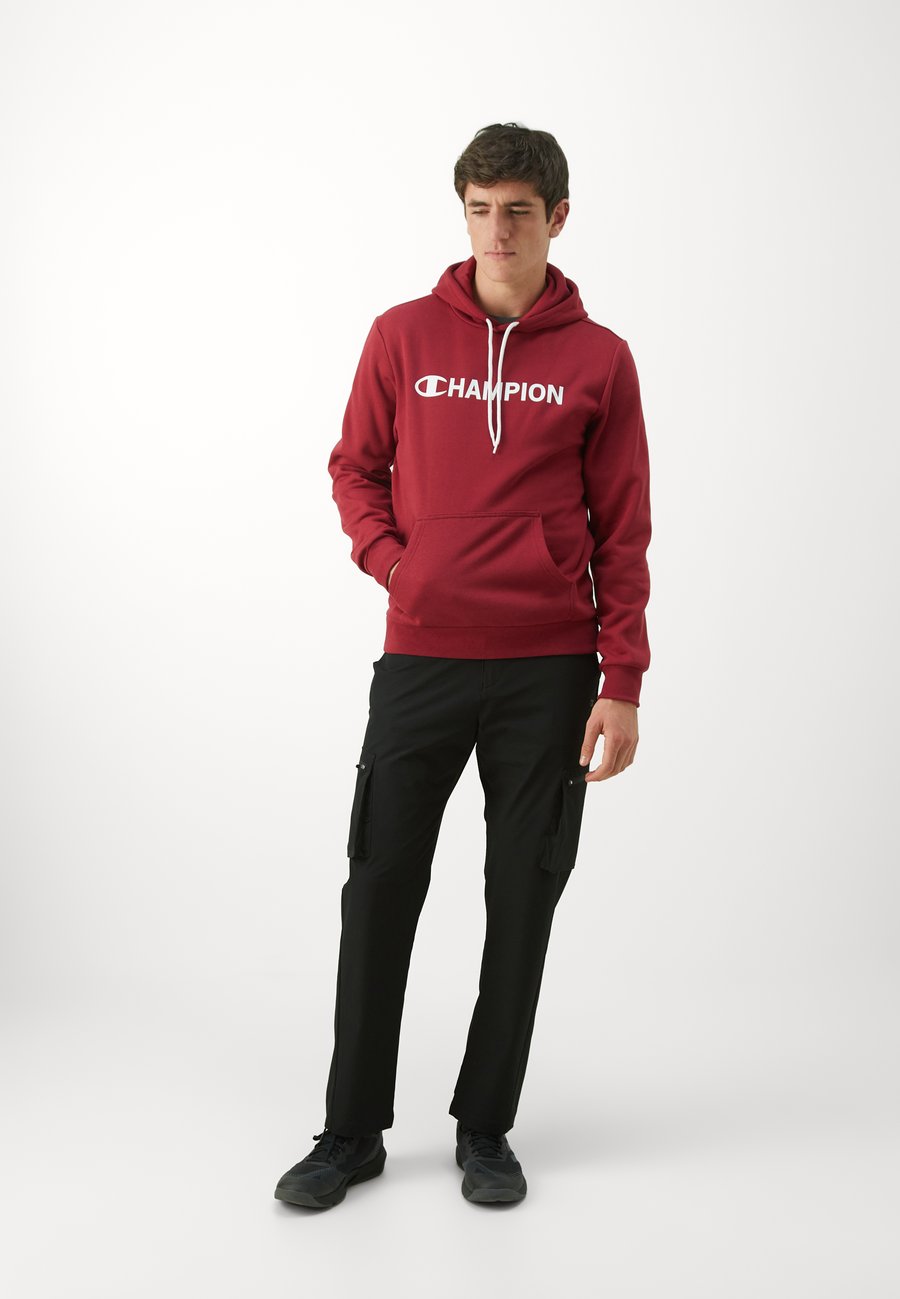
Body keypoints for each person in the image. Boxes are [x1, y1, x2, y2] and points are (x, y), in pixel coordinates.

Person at [274, 121, 652, 1210]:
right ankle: (351, 1131)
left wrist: (622, 681)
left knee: (522, 895)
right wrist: (398, 565)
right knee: (379, 885)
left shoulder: (600, 359)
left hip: (550, 668)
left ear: (558, 218)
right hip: (423, 660)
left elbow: (624, 526)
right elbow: (354, 468)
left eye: (518, 212)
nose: (497, 232)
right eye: (480, 210)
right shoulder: (400, 336)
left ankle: (486, 1128)